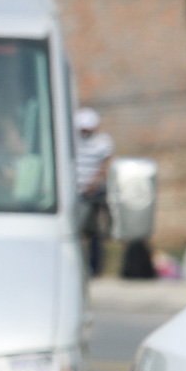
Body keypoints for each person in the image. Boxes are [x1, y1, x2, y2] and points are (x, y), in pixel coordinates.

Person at [75, 107, 115, 277]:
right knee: (77, 231)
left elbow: (106, 164)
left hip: (93, 194)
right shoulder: (72, 141)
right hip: (75, 193)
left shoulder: (103, 141)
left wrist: (93, 184)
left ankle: (95, 268)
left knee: (93, 232)